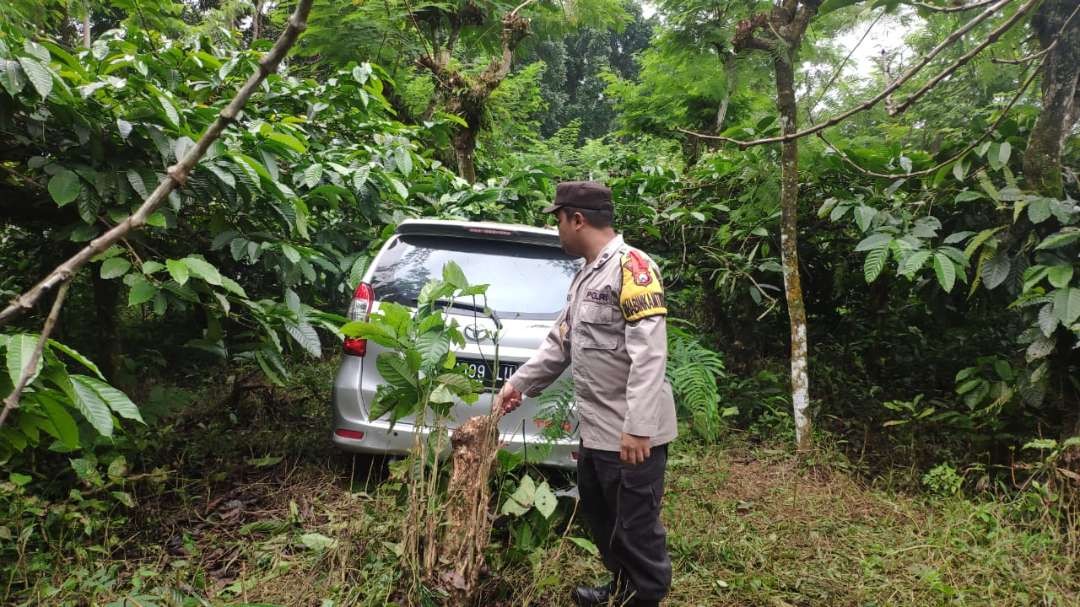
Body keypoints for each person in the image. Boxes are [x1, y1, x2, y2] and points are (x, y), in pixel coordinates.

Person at [495, 180, 677, 607]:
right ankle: (621, 588)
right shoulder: (584, 277)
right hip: (596, 432)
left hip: (631, 436)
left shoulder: (633, 268)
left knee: (636, 528)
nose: (558, 229)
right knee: (603, 520)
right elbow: (560, 343)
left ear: (577, 219)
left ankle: (643, 596)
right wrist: (518, 385)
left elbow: (650, 355)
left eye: (559, 219)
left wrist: (638, 427)